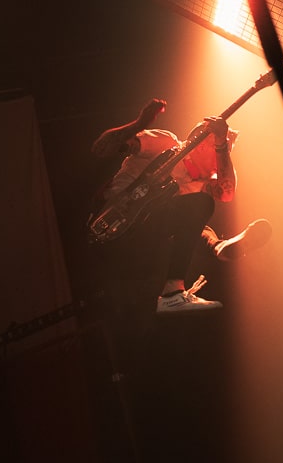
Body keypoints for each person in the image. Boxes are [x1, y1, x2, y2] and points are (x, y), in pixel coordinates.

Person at [90, 97, 270, 313]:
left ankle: (216, 249)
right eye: (211, 142)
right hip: (109, 224)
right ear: (197, 137)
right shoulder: (166, 144)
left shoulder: (201, 183)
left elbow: (227, 192)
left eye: (219, 148)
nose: (211, 148)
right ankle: (177, 286)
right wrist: (139, 124)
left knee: (198, 217)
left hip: (140, 244)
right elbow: (101, 149)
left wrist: (222, 144)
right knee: (199, 206)